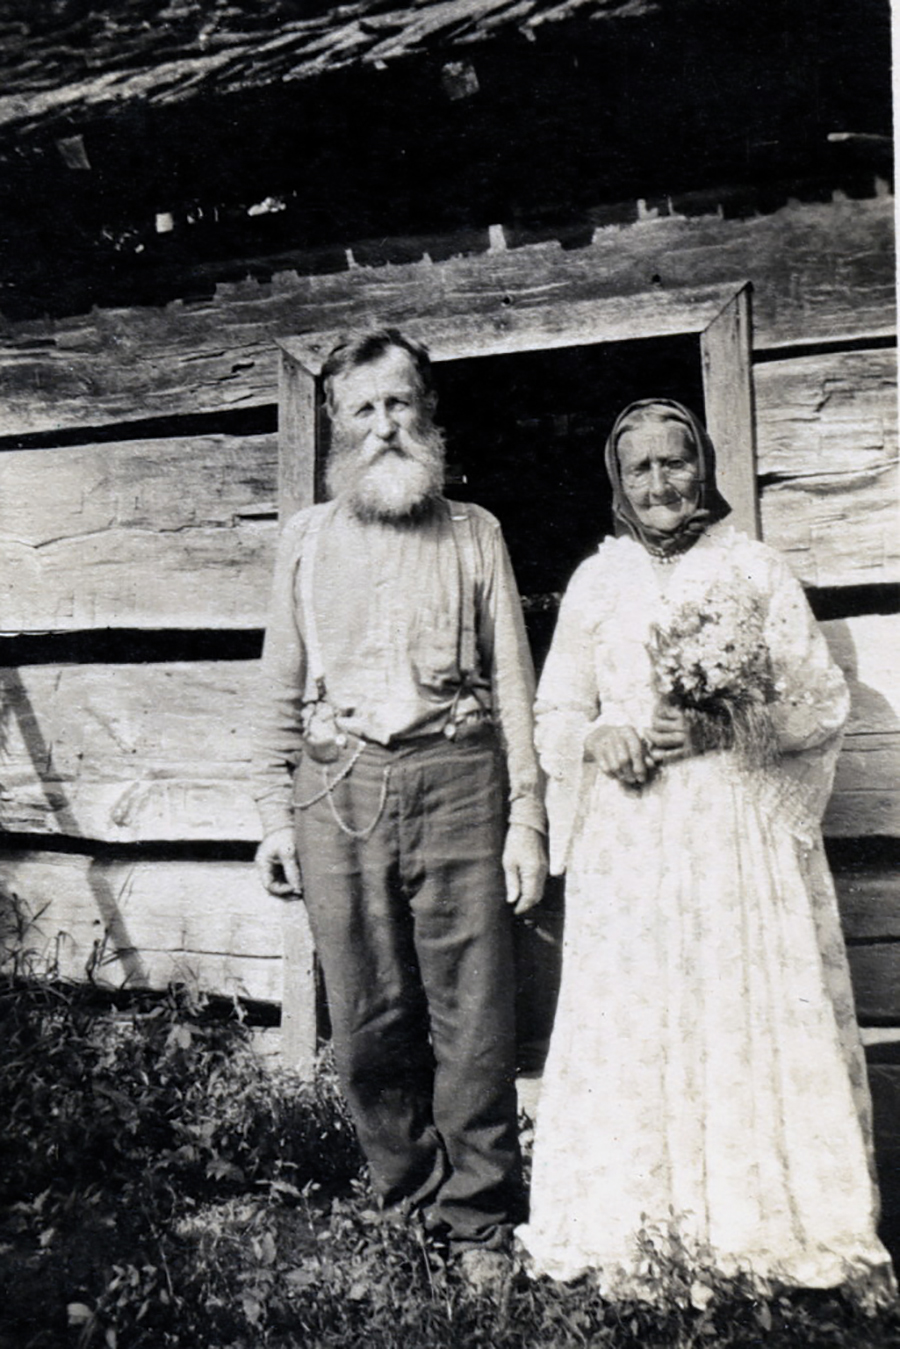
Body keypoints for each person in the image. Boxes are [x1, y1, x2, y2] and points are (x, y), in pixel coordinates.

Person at [516, 398, 895, 1301]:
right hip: (633, 837)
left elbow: (820, 704)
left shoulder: (754, 569)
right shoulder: (596, 582)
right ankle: (635, 1227)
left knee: (739, 1006)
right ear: (618, 478)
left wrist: (729, 730)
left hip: (732, 838)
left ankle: (760, 1225)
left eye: (674, 463)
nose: (658, 483)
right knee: (640, 1010)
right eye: (639, 468)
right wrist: (596, 739)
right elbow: (556, 708)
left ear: (704, 466)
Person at [252, 327, 547, 1292]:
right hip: (338, 792)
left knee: (475, 1014)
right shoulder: (305, 540)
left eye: (400, 404)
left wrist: (527, 818)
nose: (385, 426)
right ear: (337, 427)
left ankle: (478, 1222)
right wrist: (267, 809)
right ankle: (408, 1203)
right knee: (371, 1016)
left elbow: (516, 683)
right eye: (364, 409)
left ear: (429, 413)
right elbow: (276, 687)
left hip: (461, 781)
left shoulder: (476, 532)